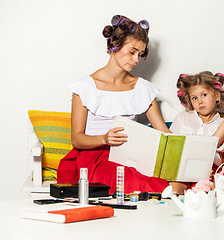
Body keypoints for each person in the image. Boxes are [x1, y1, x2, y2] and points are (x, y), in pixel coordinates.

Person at [57, 15, 173, 194]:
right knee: (130, 179)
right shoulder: (85, 88)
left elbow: (164, 134)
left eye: (140, 55)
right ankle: (170, 192)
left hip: (130, 153)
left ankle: (175, 191)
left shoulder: (143, 88)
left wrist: (188, 148)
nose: (136, 60)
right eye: (132, 52)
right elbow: (77, 139)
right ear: (114, 46)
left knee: (170, 175)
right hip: (95, 157)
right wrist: (104, 139)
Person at [170, 71, 224, 178]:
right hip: (182, 167)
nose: (200, 101)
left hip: (209, 170)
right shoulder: (182, 117)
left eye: (204, 95)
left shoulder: (223, 123)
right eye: (194, 98)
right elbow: (170, 145)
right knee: (174, 186)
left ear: (216, 96)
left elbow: (215, 143)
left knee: (208, 184)